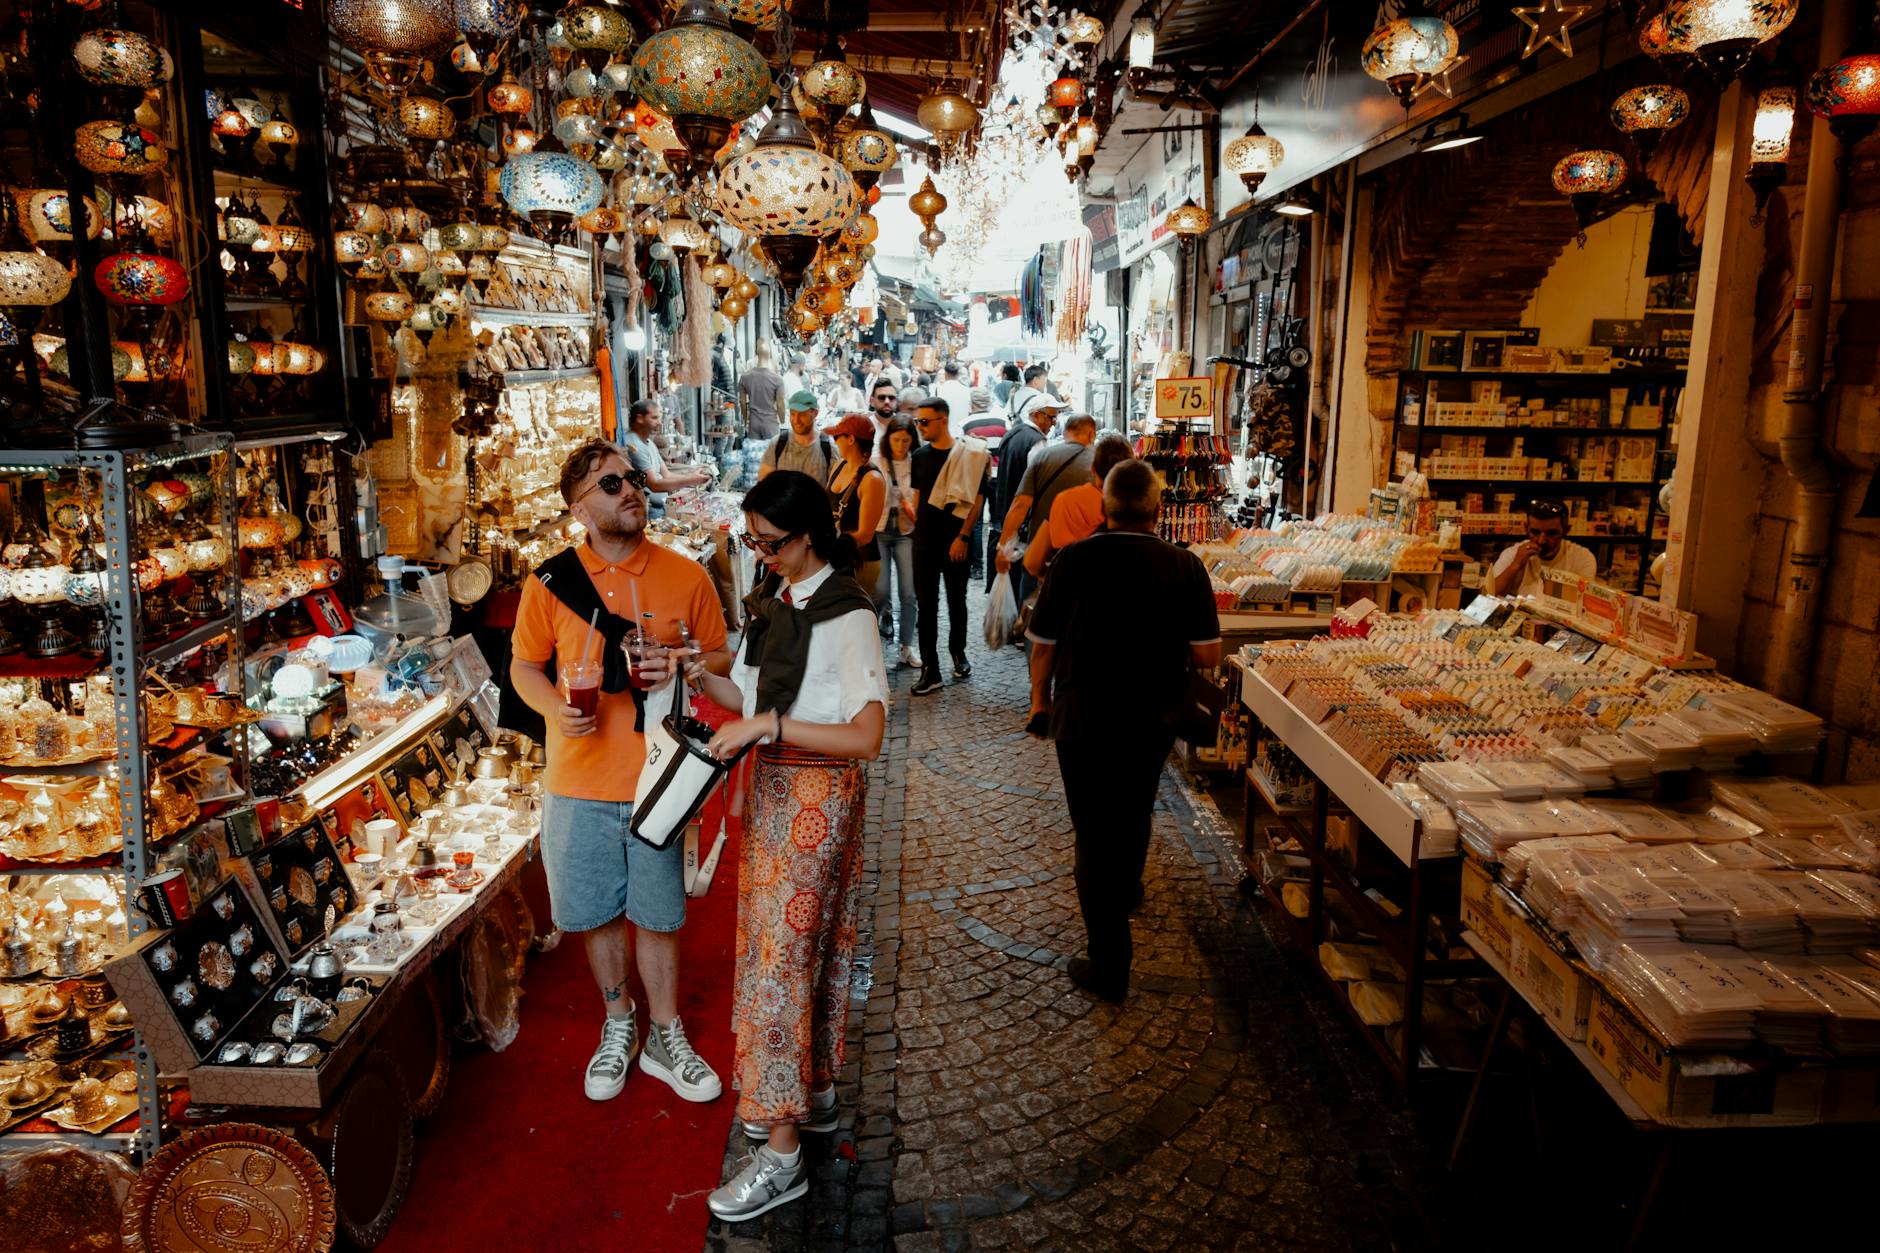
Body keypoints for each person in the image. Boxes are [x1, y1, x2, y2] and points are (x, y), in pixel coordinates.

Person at [680, 471, 887, 1223]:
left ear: (808, 536)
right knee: (796, 948)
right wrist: (693, 668)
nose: (760, 555)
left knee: (784, 960)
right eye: (753, 541)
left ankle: (782, 1152)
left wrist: (769, 729)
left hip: (819, 797)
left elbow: (866, 736)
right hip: (773, 793)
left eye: (771, 543)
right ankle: (813, 1088)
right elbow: (749, 695)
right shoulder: (781, 600)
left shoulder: (847, 611)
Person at [509, 439, 731, 1102]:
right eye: (610, 484)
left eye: (632, 478)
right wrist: (555, 707)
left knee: (658, 913)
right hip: (578, 778)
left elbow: (721, 661)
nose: (629, 489)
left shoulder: (684, 574)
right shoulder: (549, 581)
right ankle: (618, 1022)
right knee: (597, 913)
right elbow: (523, 665)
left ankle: (665, 1032)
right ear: (580, 509)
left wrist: (690, 661)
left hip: (661, 777)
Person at [1025, 459, 1222, 1003]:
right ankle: (1128, 889)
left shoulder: (1072, 560)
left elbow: (1042, 642)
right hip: (1152, 716)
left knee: (1092, 831)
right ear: (1159, 510)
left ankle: (1109, 964)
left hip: (1083, 714)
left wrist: (1039, 701)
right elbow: (1207, 653)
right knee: (1135, 808)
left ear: (1105, 506)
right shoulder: (1185, 565)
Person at [909, 398, 989, 696]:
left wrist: (965, 536)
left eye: (924, 422)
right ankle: (931, 668)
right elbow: (918, 497)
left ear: (943, 420)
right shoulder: (919, 456)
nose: (920, 427)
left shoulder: (971, 454)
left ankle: (958, 651)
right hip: (925, 540)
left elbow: (977, 499)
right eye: (918, 421)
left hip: (956, 538)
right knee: (926, 605)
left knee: (957, 599)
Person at [994, 412, 1095, 602]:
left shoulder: (1043, 457)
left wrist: (1003, 548)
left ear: (1065, 432)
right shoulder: (1100, 463)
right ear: (1091, 435)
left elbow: (1020, 505)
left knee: (1033, 617)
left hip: (1040, 554)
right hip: (1084, 559)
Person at [1025, 431, 1132, 580]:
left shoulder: (1066, 500)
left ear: (1093, 469)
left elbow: (1032, 562)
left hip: (1069, 593)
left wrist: (1049, 575)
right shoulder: (1135, 506)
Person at [986, 397, 1059, 594]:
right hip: (1022, 523)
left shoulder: (1012, 434)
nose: (1054, 423)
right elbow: (1033, 491)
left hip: (1006, 517)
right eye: (1051, 417)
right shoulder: (1037, 443)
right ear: (1036, 415)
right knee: (1022, 585)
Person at [874, 414, 921, 667]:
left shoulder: (917, 463)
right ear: (887, 439)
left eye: (905, 440)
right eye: (896, 439)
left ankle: (906, 646)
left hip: (906, 529)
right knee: (879, 589)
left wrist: (904, 499)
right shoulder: (877, 462)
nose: (900, 445)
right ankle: (870, 642)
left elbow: (919, 501)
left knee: (909, 591)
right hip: (880, 528)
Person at [621, 398, 711, 518]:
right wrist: (690, 480)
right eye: (654, 418)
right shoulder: (633, 445)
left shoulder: (649, 443)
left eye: (659, 417)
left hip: (661, 507)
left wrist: (691, 477)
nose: (659, 422)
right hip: (648, 511)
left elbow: (667, 475)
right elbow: (654, 484)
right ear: (640, 418)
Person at [825, 413, 885, 593]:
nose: (835, 441)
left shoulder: (872, 479)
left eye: (837, 436)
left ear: (850, 439)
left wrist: (829, 546)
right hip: (835, 560)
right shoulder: (838, 466)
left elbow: (865, 535)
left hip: (860, 564)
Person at [1490, 499, 1596, 596]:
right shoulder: (1512, 554)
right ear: (1526, 528)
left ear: (1565, 531)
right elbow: (1490, 596)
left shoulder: (1583, 558)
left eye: (1551, 533)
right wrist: (1516, 565)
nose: (1541, 540)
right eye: (1535, 532)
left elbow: (1583, 604)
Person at [759, 391, 835, 483]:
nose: (796, 420)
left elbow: (833, 489)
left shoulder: (828, 447)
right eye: (793, 414)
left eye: (802, 415)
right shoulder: (778, 444)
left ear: (815, 413)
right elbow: (764, 483)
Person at [867, 377, 898, 445]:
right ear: (872, 401)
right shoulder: (865, 427)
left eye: (891, 398)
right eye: (882, 397)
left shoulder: (904, 425)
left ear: (896, 401)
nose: (887, 401)